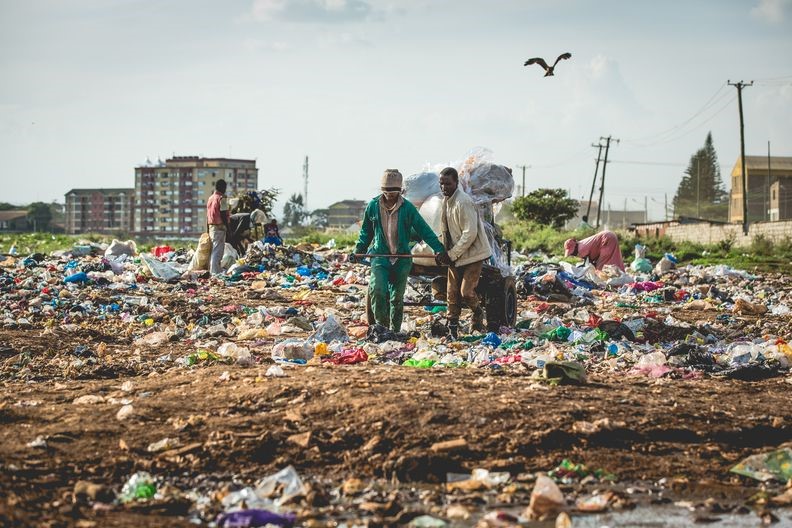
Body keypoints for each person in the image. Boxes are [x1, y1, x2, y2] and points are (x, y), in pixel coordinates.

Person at [352, 169, 447, 332]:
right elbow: (366, 232)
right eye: (386, 191)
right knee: (379, 290)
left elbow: (424, 230)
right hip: (380, 256)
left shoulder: (408, 208)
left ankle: (394, 330)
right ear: (382, 190)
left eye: (393, 191)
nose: (390, 194)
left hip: (401, 258)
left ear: (400, 191)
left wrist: (439, 249)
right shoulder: (373, 206)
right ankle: (381, 327)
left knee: (396, 298)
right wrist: (358, 250)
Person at [435, 167, 492, 337]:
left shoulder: (463, 202)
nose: (444, 187)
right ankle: (452, 328)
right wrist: (442, 251)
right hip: (456, 254)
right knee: (451, 293)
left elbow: (470, 233)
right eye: (442, 184)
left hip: (473, 254)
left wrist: (451, 254)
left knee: (465, 293)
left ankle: (478, 313)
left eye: (448, 184)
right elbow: (444, 230)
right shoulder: (446, 201)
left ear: (456, 183)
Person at [206, 179, 230, 275]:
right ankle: (215, 272)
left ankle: (213, 270)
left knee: (213, 250)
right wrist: (228, 228)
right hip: (220, 227)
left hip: (211, 227)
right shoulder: (221, 198)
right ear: (222, 187)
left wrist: (207, 230)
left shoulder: (210, 198)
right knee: (218, 251)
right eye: (225, 187)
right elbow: (223, 214)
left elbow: (207, 215)